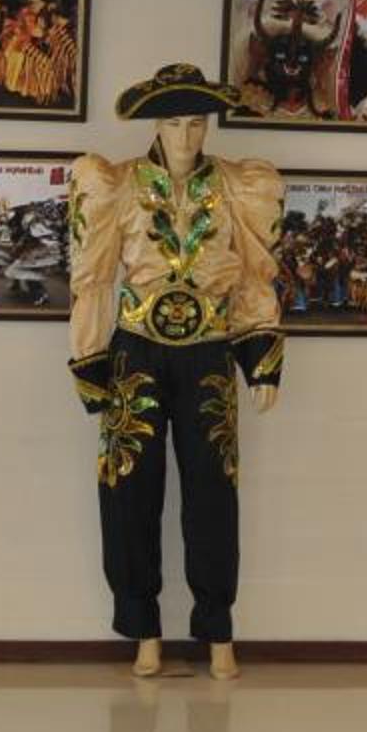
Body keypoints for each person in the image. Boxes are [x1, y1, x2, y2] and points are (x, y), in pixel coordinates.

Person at [67, 63, 285, 680]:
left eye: (195, 123)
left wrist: (261, 359)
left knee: (213, 493)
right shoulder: (119, 185)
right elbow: (93, 275)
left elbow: (254, 273)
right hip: (136, 349)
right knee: (129, 491)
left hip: (209, 349)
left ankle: (217, 629)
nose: (186, 136)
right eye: (173, 123)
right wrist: (91, 357)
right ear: (154, 126)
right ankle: (143, 629)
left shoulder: (238, 187)